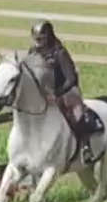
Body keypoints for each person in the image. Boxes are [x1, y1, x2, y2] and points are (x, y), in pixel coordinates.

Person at [30, 19, 103, 162]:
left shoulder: (60, 53)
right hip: (44, 93)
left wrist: (56, 94)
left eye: (41, 39)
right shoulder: (32, 53)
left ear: (49, 37)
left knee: (77, 115)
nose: (38, 43)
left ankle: (85, 147)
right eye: (36, 39)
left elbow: (71, 78)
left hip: (66, 91)